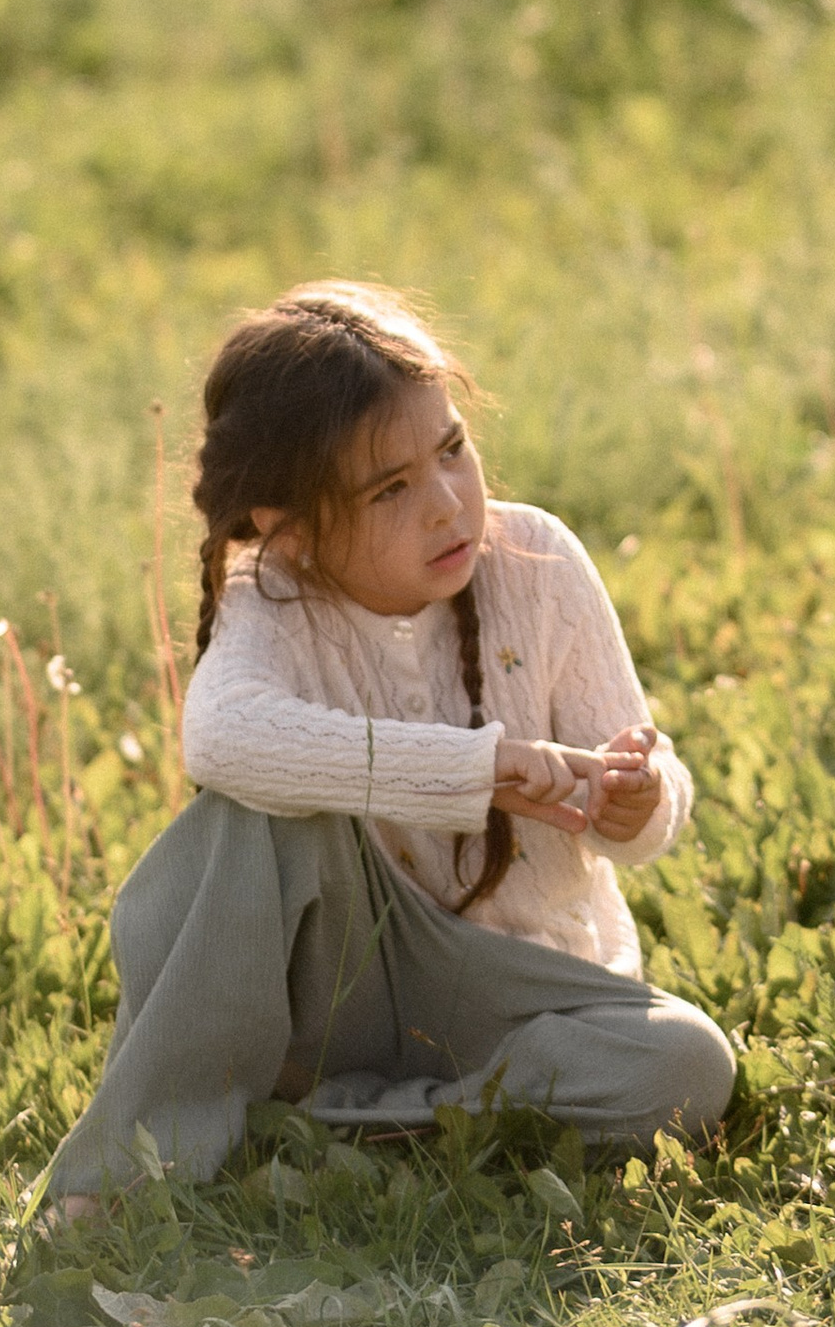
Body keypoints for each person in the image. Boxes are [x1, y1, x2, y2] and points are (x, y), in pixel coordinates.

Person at [44, 282, 733, 1206]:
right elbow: (219, 738)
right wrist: (478, 768)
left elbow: (644, 805)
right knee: (246, 819)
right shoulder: (277, 597)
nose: (448, 504)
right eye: (391, 489)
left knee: (688, 1064)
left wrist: (639, 802)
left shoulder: (539, 561)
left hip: (528, 996)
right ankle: (128, 1175)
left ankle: (352, 1124)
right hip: (353, 985)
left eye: (453, 449)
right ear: (287, 531)